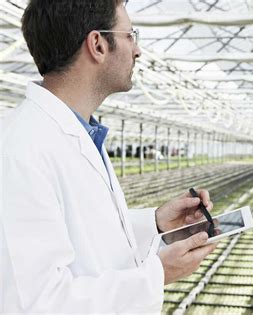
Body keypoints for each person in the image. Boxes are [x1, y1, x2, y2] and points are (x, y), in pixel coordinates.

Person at [0, 0, 218, 313]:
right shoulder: (18, 148)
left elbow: (81, 231)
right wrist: (157, 274)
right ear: (98, 45)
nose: (138, 51)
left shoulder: (79, 131)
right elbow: (33, 302)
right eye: (130, 36)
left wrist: (156, 223)